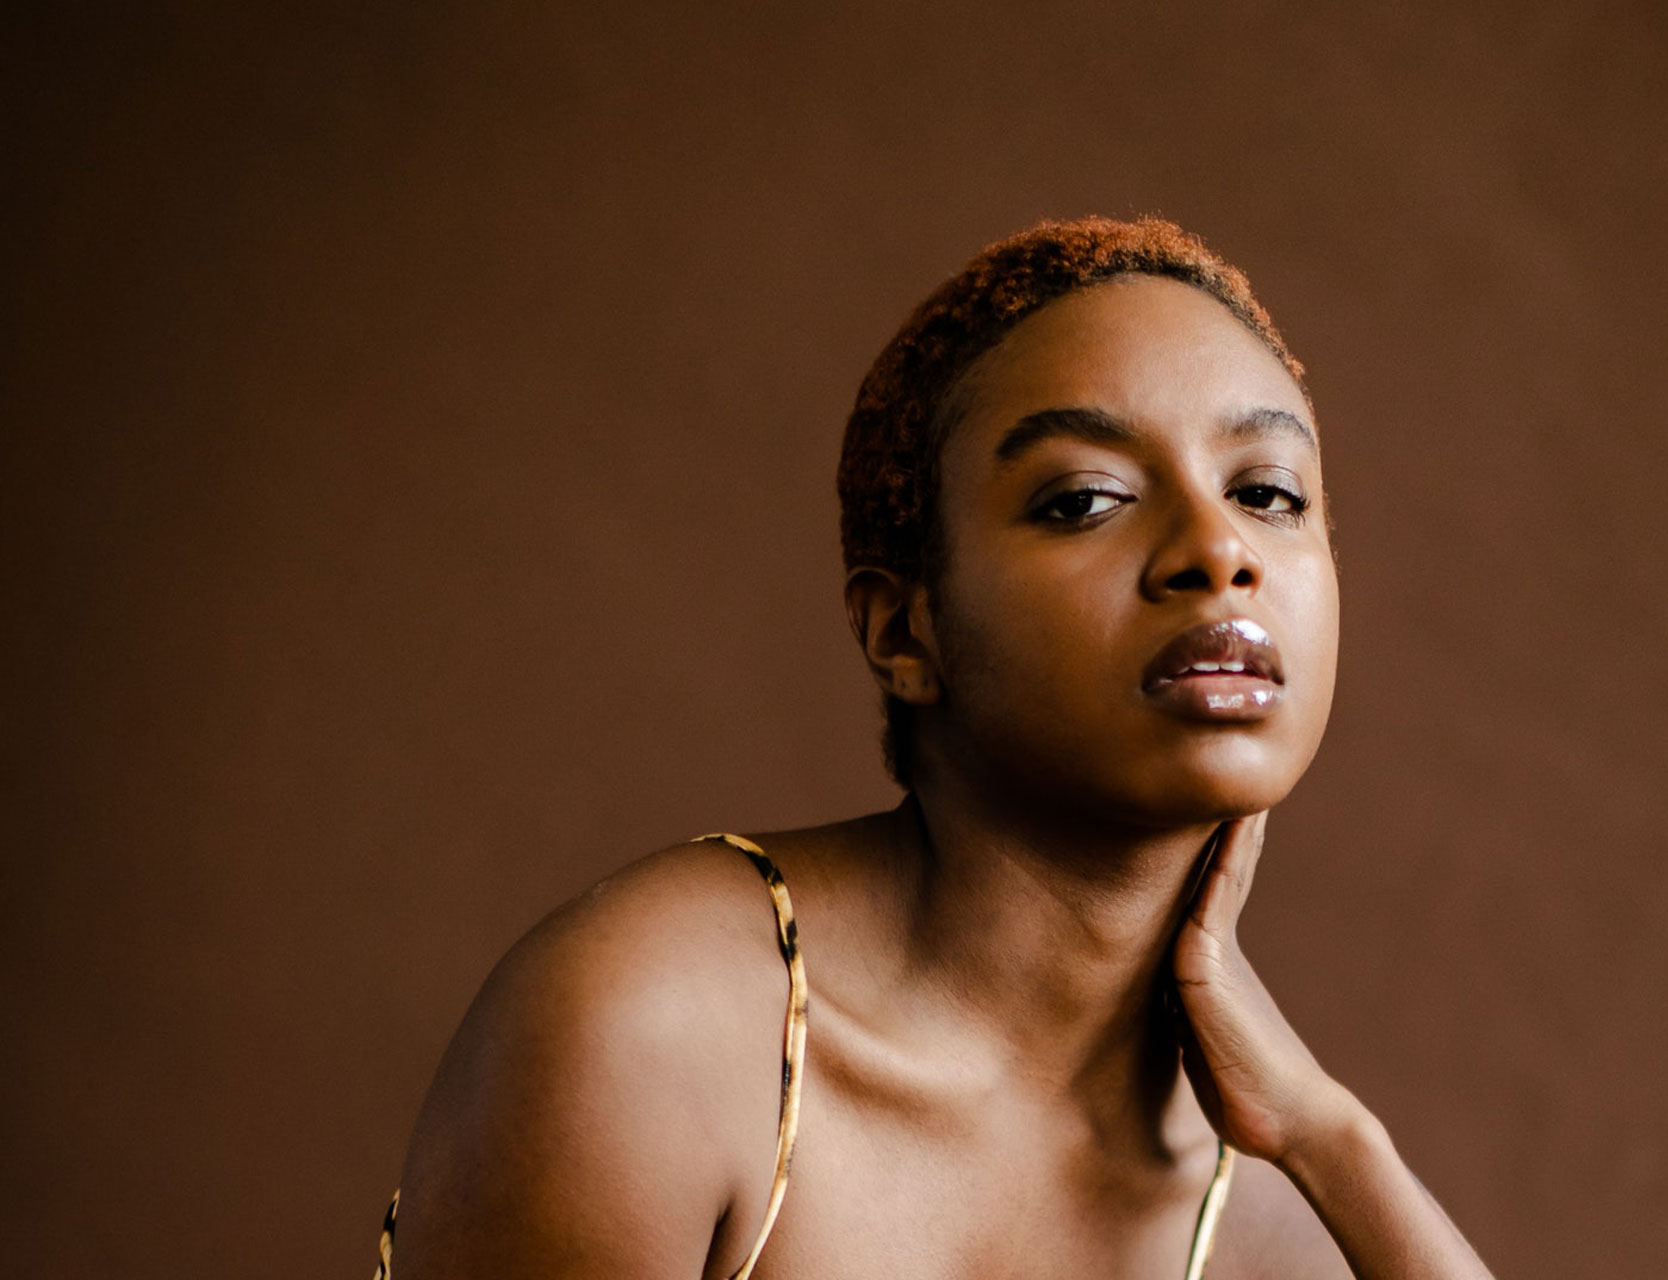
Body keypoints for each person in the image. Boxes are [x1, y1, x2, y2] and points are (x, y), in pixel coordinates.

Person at [378, 216, 1496, 1279]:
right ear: (905, 629)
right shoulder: (662, 1027)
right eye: (1086, 498)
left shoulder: (1279, 1208)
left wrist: (1337, 1137)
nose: (1218, 549)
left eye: (1267, 491)